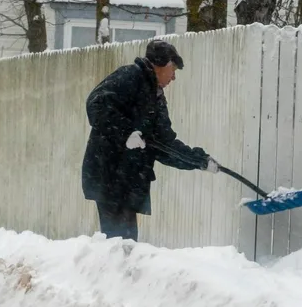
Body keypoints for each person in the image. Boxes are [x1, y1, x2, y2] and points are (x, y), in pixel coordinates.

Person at [81, 39, 219, 241]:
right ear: (161, 65)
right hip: (110, 172)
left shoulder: (156, 97)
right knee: (119, 243)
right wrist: (126, 134)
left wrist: (199, 160)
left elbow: (164, 144)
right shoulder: (130, 76)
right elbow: (96, 104)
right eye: (173, 70)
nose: (173, 77)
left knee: (125, 243)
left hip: (128, 178)